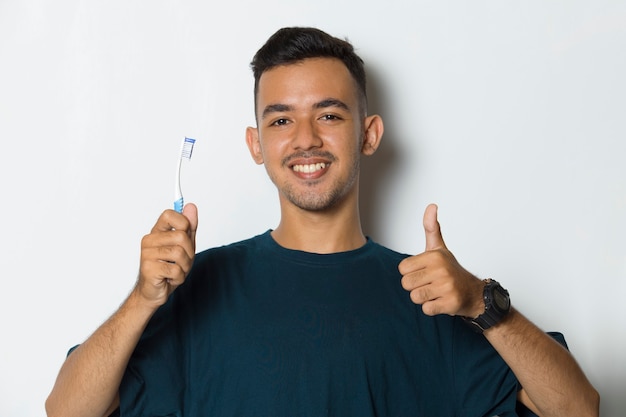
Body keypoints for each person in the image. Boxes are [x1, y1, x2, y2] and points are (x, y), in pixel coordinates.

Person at [46, 27, 599, 417]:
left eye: (329, 115)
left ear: (369, 133)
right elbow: (65, 411)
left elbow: (578, 409)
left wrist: (482, 302)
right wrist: (144, 297)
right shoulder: (197, 287)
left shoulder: (432, 293)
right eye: (281, 118)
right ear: (256, 145)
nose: (305, 138)